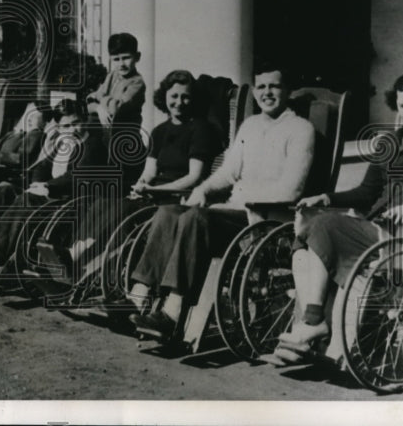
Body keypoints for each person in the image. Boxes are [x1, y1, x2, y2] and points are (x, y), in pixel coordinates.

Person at [267, 72, 403, 361]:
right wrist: (328, 198)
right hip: (383, 232)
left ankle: (314, 324)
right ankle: (312, 334)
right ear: (396, 107)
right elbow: (366, 193)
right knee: (305, 238)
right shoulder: (390, 144)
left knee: (327, 226)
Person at [129, 62, 315, 339]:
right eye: (261, 87)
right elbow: (228, 173)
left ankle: (173, 311)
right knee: (170, 212)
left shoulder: (301, 129)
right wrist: (203, 190)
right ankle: (137, 297)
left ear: (287, 90)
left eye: (274, 86)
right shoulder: (250, 126)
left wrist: (240, 201)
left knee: (195, 218)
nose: (267, 93)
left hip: (267, 221)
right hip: (235, 214)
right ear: (253, 91)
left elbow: (292, 190)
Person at [68, 70, 222, 277]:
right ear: (164, 97)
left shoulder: (200, 130)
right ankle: (74, 253)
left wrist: (155, 189)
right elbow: (149, 171)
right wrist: (141, 185)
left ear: (193, 99)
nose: (179, 102)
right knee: (103, 202)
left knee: (122, 209)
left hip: (176, 197)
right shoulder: (159, 131)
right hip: (153, 194)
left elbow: (194, 177)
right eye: (174, 96)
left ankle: (84, 264)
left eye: (185, 96)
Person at [0, 99, 107, 271]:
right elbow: (43, 166)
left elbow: (78, 177)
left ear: (85, 120)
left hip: (70, 201)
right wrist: (37, 183)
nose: (73, 130)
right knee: (4, 189)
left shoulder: (92, 145)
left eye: (77, 123)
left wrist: (48, 186)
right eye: (66, 126)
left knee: (26, 200)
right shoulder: (62, 143)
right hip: (51, 195)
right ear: (58, 128)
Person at [86, 32, 146, 135]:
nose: (121, 64)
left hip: (124, 135)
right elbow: (89, 103)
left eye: (126, 58)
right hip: (105, 133)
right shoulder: (112, 75)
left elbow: (115, 109)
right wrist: (99, 108)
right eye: (116, 59)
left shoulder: (137, 83)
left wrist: (99, 99)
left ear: (137, 57)